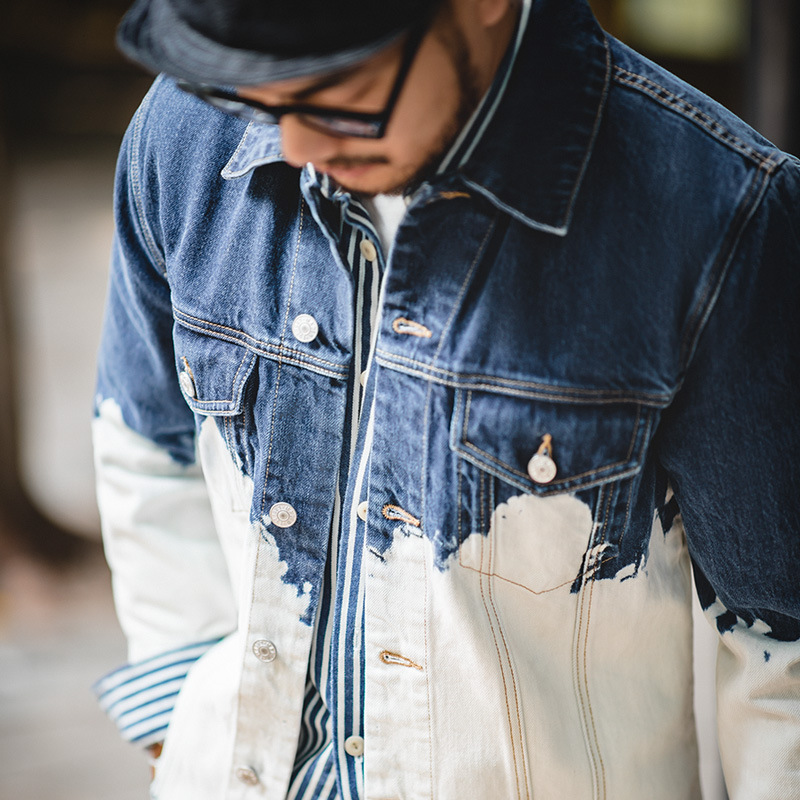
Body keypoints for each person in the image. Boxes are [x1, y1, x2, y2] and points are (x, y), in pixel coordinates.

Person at [92, 0, 800, 797]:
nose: (294, 146)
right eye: (258, 97)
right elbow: (145, 441)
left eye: (337, 93)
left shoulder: (719, 215)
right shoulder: (183, 128)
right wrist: (177, 720)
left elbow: (783, 657)